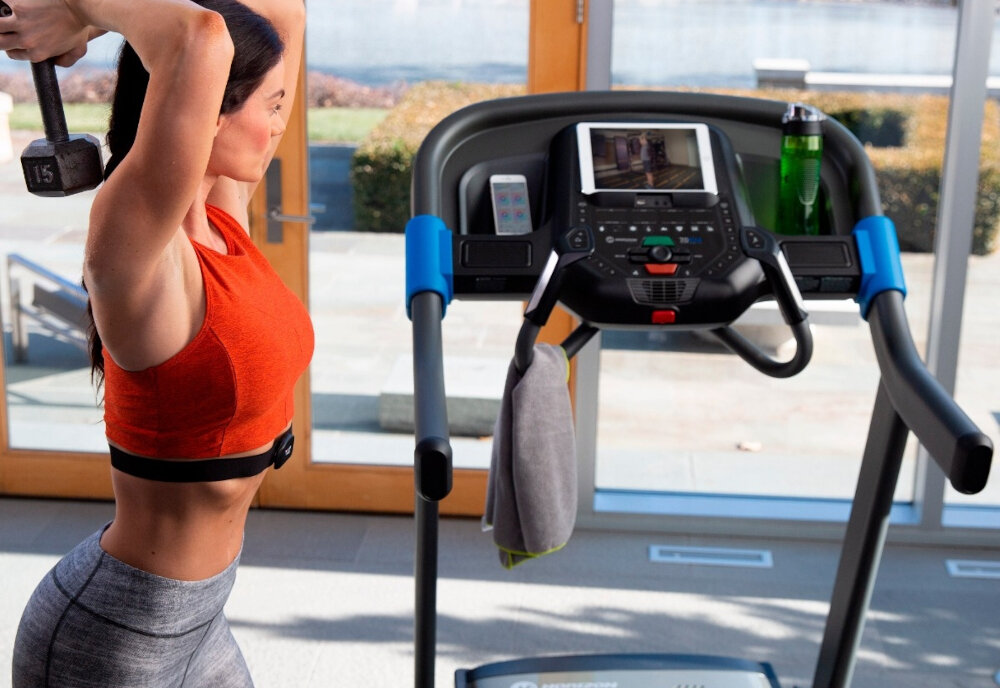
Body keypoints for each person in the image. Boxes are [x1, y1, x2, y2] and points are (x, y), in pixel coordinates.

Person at [1, 0, 310, 685]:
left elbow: (282, 11)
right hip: (112, 633)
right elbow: (198, 36)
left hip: (202, 617)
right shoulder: (138, 246)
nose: (278, 125)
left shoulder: (223, 220)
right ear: (213, 113)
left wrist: (83, 21)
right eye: (270, 105)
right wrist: (77, 7)